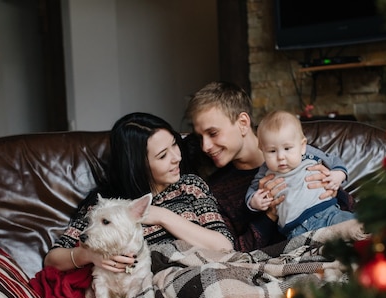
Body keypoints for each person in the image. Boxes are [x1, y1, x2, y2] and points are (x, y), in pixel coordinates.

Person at [44, 112, 234, 273]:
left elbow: (224, 247)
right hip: (158, 288)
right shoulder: (108, 207)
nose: (177, 157)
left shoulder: (190, 186)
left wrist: (162, 216)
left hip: (209, 273)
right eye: (163, 155)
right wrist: (88, 255)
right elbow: (52, 260)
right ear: (137, 166)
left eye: (175, 144)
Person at [184, 81, 347, 252]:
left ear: (243, 122)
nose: (205, 146)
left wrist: (333, 189)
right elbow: (235, 252)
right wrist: (270, 214)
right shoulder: (217, 190)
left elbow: (350, 211)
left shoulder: (297, 151)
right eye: (200, 137)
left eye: (213, 133)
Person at [246, 110, 355, 238]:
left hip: (328, 213)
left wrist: (338, 174)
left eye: (287, 148)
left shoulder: (310, 154)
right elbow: (253, 190)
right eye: (272, 151)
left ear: (302, 146)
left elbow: (333, 160)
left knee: (360, 231)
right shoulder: (264, 172)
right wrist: (255, 202)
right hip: (295, 231)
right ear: (262, 150)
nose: (281, 157)